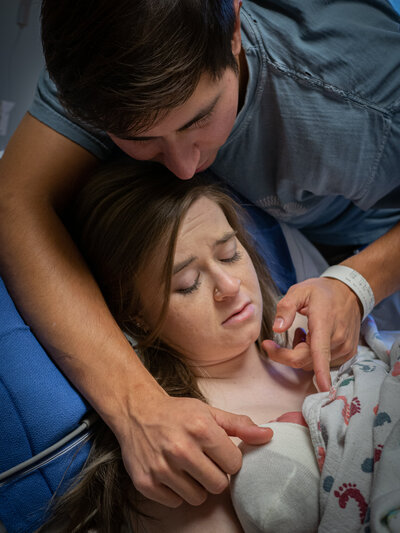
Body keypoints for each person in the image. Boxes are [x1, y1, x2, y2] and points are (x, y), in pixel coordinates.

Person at [0, 0, 399, 508]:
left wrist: (359, 280)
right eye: (140, 139)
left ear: (234, 28)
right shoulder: (102, 48)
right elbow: (15, 201)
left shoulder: (364, 93)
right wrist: (135, 408)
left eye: (199, 119)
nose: (185, 168)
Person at [38, 160, 399, 533]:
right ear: (136, 316)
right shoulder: (186, 445)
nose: (229, 285)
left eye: (229, 254)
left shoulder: (324, 328)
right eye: (188, 283)